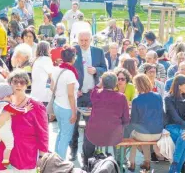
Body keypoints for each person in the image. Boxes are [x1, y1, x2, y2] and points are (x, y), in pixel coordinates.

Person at [0, 70, 48, 171]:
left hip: (24, 156)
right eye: (15, 82)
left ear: (27, 85)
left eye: (22, 82)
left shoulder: (36, 106)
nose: (19, 85)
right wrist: (2, 119)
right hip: (2, 156)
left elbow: (43, 133)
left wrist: (42, 156)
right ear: (9, 84)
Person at [70, 31, 107, 161]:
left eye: (86, 40)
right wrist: (75, 88)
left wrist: (96, 70)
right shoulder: (73, 51)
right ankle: (73, 151)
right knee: (73, 125)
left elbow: (105, 69)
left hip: (92, 95)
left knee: (90, 126)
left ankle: (87, 155)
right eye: (82, 40)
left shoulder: (98, 52)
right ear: (78, 40)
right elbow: (68, 70)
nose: (84, 43)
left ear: (91, 40)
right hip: (77, 94)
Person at [83, 72, 130, 167]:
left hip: (95, 135)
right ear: (116, 83)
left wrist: (100, 83)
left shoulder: (96, 94)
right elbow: (126, 119)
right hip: (114, 136)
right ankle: (119, 162)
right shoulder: (121, 97)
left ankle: (87, 162)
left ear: (103, 83)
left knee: (87, 133)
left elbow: (95, 89)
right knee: (119, 132)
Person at [0, 83, 33, 165]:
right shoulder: (6, 105)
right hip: (4, 130)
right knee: (9, 145)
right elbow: (16, 110)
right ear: (6, 96)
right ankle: (5, 160)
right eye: (10, 96)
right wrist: (26, 109)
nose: (11, 97)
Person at [128, 74, 164, 171]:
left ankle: (131, 162)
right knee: (144, 134)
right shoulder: (158, 96)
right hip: (158, 133)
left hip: (144, 134)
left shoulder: (136, 100)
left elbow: (134, 121)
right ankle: (147, 162)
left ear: (137, 86)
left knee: (133, 135)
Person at [51, 47, 78, 159]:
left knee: (61, 133)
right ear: (73, 58)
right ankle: (59, 163)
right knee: (65, 136)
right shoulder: (70, 73)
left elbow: (52, 88)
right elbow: (70, 95)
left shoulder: (56, 69)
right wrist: (74, 112)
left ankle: (55, 159)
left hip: (57, 104)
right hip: (67, 107)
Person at [165, 75, 185, 173]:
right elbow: (175, 118)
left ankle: (174, 167)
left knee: (184, 138)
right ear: (179, 86)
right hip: (173, 126)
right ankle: (176, 167)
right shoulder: (168, 99)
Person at [31, 41, 53, 106]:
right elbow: (52, 75)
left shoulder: (37, 59)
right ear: (46, 49)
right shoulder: (46, 59)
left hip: (36, 92)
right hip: (43, 94)